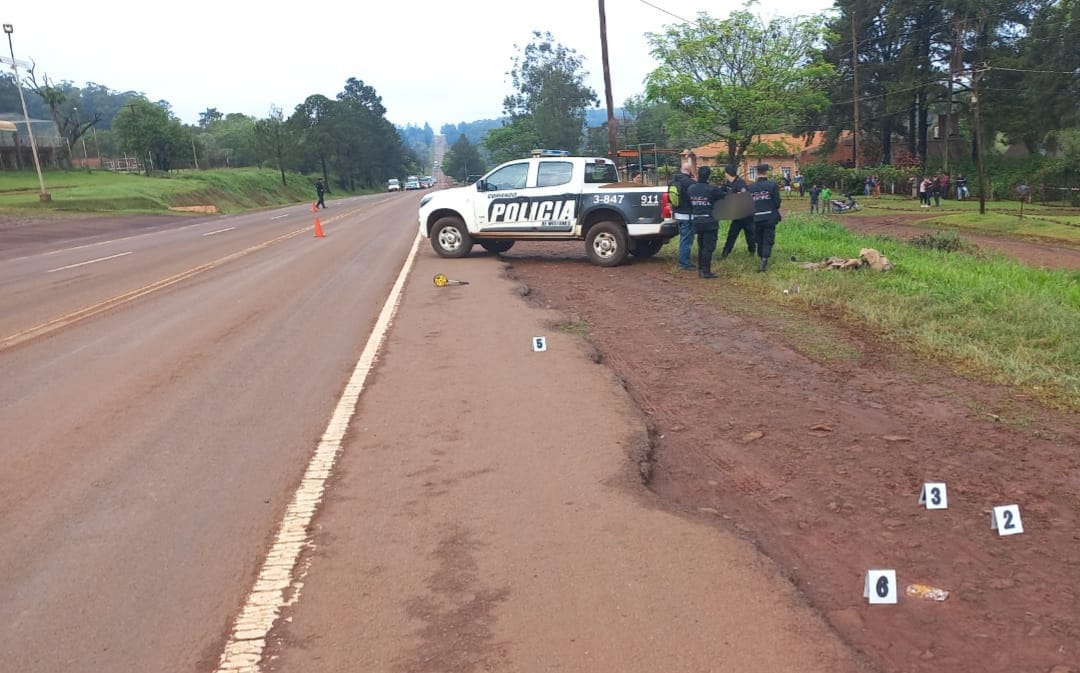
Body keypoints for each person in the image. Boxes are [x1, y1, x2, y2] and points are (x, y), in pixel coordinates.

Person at [686, 166, 726, 278]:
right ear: (709, 176)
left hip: (697, 221)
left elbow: (689, 203)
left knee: (701, 246)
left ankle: (701, 269)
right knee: (708, 247)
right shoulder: (712, 189)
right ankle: (706, 271)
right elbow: (725, 196)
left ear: (698, 175)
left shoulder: (691, 189)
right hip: (710, 221)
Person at [749, 164, 782, 272]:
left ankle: (761, 257)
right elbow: (777, 202)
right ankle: (764, 259)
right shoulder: (772, 185)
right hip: (769, 217)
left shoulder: (751, 187)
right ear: (766, 172)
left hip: (756, 217)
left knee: (759, 239)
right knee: (768, 238)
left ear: (757, 173)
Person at [720, 165, 755, 258]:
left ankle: (752, 251)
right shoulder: (727, 183)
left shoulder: (740, 183)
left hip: (746, 215)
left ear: (727, 173)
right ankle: (725, 252)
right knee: (732, 234)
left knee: (750, 235)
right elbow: (720, 192)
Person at [669, 163, 697, 271]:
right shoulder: (690, 183)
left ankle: (683, 261)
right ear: (690, 171)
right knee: (687, 240)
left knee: (683, 238)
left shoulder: (673, 181)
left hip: (678, 214)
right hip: (688, 215)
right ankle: (684, 263)